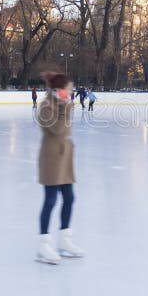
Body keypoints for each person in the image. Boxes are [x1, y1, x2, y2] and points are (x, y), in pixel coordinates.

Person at [36, 72, 84, 264]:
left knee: (70, 198)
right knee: (50, 200)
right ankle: (42, 245)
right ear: (59, 90)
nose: (71, 92)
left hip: (64, 158)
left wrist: (66, 105)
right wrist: (66, 107)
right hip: (51, 159)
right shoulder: (46, 107)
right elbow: (58, 129)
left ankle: (64, 241)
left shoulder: (61, 104)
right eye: (69, 89)